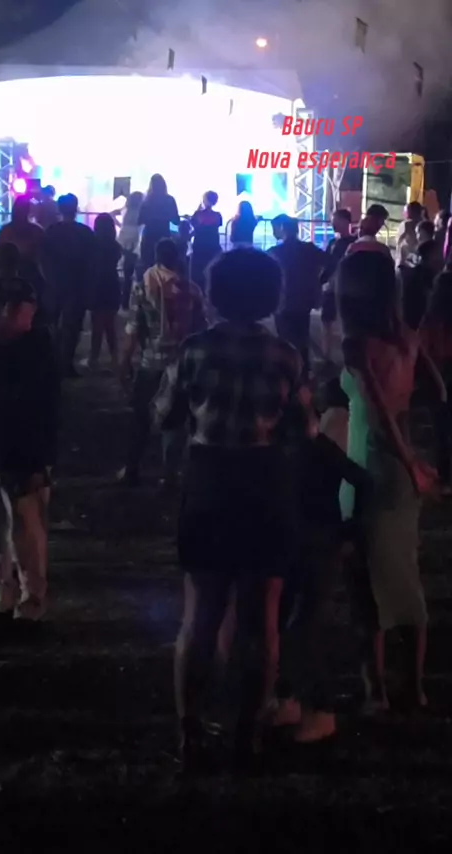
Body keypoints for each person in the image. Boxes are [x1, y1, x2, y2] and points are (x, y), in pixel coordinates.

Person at [153, 247, 315, 769]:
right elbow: (303, 430)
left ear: (217, 292)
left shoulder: (194, 350)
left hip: (209, 480)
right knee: (262, 619)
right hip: (264, 482)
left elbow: (164, 416)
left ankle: (190, 730)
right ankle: (249, 731)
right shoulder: (286, 356)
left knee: (201, 613)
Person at [338, 250, 436, 711]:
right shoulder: (408, 339)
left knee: (366, 584)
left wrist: (408, 459)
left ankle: (376, 690)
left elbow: (377, 415)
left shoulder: (357, 345)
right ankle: (414, 686)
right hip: (399, 472)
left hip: (368, 465)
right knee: (405, 576)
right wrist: (415, 460)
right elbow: (431, 393)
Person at [275, 378, 371, 742]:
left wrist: (351, 530)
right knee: (285, 623)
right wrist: (351, 529)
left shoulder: (295, 452)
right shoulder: (317, 448)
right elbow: (363, 481)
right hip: (307, 546)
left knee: (301, 629)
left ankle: (321, 710)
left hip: (315, 548)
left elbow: (363, 482)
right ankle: (290, 700)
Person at [0, 278, 60, 621]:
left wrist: (42, 457)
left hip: (22, 451)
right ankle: (4, 593)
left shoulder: (36, 350)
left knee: (25, 527)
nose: (23, 318)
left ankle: (31, 600)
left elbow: (46, 408)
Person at [118, 238, 205, 487]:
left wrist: (124, 360)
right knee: (175, 420)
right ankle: (170, 474)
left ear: (156, 257)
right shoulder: (191, 290)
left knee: (141, 417)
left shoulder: (144, 287)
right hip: (181, 364)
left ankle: (132, 469)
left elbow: (133, 328)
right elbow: (201, 328)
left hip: (151, 362)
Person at [42, 193, 96, 377]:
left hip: (55, 284)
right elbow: (91, 262)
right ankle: (66, 363)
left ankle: (51, 362)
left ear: (59, 209)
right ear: (76, 208)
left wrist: (48, 278)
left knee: (52, 325)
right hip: (77, 286)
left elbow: (44, 258)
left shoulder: (51, 231)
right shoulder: (85, 232)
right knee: (72, 327)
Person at [269, 214, 324, 375]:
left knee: (285, 337)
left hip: (283, 300)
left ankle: (288, 370)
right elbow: (331, 263)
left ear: (282, 228)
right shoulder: (309, 249)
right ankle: (303, 370)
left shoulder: (275, 252)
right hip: (304, 299)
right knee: (302, 336)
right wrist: (319, 281)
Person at [421, 267, 452, 492]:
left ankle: (445, 477)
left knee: (442, 428)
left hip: (438, 373)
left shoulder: (430, 319)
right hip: (443, 371)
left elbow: (424, 347)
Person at [0, 196, 45, 307]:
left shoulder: (5, 231)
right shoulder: (37, 231)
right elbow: (42, 258)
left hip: (7, 277)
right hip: (31, 277)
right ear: (29, 210)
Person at [320, 209, 356, 361]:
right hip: (332, 286)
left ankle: (346, 356)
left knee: (344, 322)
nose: (333, 224)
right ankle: (327, 355)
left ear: (346, 221)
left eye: (336, 221)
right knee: (326, 320)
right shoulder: (333, 242)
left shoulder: (353, 243)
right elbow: (327, 264)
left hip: (345, 287)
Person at [88, 213, 122, 370]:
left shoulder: (92, 246)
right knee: (110, 325)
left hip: (96, 284)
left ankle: (94, 358)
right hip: (112, 283)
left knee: (97, 325)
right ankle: (115, 357)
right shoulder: (115, 247)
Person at [138, 174, 179, 272]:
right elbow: (175, 220)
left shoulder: (146, 201)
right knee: (164, 266)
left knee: (148, 265)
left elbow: (139, 221)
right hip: (164, 235)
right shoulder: (169, 200)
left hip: (148, 236)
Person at [400, 240, 438, 332]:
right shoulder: (427, 276)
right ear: (430, 255)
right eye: (437, 253)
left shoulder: (414, 273)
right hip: (421, 326)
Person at [190, 191, 223, 290]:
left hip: (199, 246)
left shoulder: (198, 214)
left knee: (197, 272)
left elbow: (194, 225)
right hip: (213, 245)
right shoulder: (218, 215)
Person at [117, 191, 143, 311]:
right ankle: (129, 302)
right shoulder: (140, 212)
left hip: (122, 240)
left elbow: (112, 214)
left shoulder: (126, 210)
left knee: (125, 272)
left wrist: (119, 225)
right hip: (134, 243)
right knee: (132, 273)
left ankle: (123, 301)